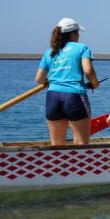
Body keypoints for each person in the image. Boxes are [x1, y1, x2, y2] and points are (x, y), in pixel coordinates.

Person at [35, 17, 100, 145]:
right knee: (81, 144)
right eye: (78, 33)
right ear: (73, 33)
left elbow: (39, 79)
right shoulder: (82, 48)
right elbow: (88, 70)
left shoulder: (50, 52)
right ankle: (81, 164)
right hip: (74, 95)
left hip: (52, 96)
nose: (79, 36)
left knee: (57, 145)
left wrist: (52, 80)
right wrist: (95, 83)